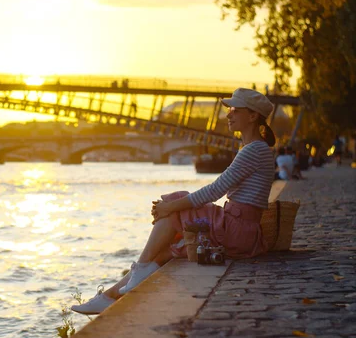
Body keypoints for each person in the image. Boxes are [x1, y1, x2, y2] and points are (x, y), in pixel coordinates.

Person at [71, 88, 276, 315]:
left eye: (235, 110)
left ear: (252, 116)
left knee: (176, 203)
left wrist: (169, 207)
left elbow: (215, 190)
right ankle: (111, 296)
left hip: (238, 229)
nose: (228, 114)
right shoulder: (252, 148)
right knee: (168, 250)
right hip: (241, 230)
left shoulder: (254, 150)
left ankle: (135, 273)